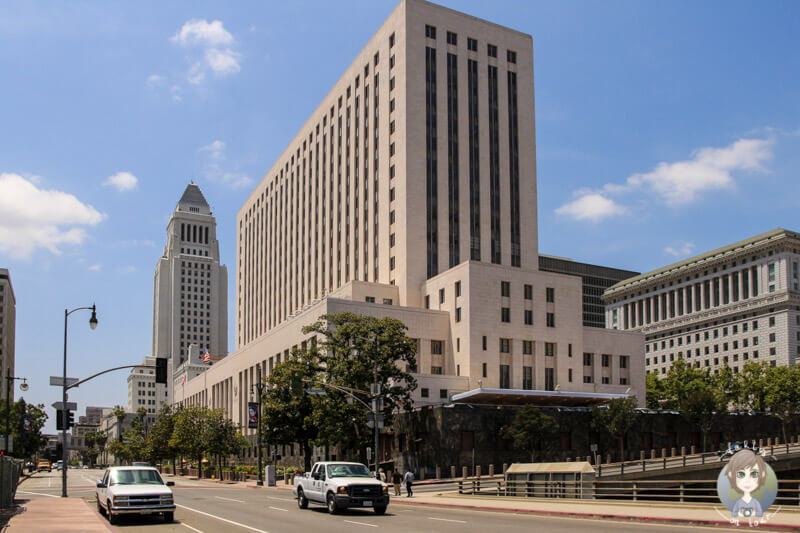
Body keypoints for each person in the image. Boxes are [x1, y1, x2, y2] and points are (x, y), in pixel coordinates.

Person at [726, 449, 768, 518]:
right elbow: (734, 513)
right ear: (731, 475)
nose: (747, 480)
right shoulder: (739, 502)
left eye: (754, 474)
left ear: (762, 475)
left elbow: (760, 513)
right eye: (740, 474)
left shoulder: (755, 502)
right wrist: (741, 514)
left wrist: (752, 514)